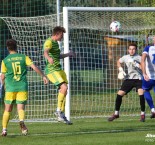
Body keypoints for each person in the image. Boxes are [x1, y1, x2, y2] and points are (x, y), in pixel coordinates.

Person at [1, 39, 48, 136]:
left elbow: (2, 76)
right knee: (20, 108)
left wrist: (3, 85)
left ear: (7, 48)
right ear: (16, 47)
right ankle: (21, 121)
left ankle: (4, 130)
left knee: (7, 109)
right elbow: (34, 67)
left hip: (10, 87)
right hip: (22, 86)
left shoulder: (5, 61)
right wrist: (43, 76)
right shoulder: (23, 57)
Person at [43, 26, 75, 125]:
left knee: (65, 90)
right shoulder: (49, 41)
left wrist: (68, 54)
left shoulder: (56, 44)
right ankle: (58, 111)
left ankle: (61, 113)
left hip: (58, 69)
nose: (62, 37)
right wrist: (48, 58)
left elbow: (58, 56)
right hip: (52, 70)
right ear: (57, 34)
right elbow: (45, 52)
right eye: (61, 35)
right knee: (64, 87)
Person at [108, 43, 145, 122]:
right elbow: (118, 61)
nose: (132, 51)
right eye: (130, 49)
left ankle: (142, 114)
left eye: (133, 49)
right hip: (129, 79)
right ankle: (116, 113)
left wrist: (136, 64)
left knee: (141, 94)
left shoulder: (139, 57)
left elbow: (143, 68)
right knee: (119, 94)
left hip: (139, 79)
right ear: (128, 50)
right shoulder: (125, 57)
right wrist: (120, 69)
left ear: (136, 50)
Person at [141, 36, 155, 118]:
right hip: (150, 76)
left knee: (145, 90)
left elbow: (142, 60)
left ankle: (153, 110)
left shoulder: (148, 48)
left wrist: (144, 73)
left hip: (149, 76)